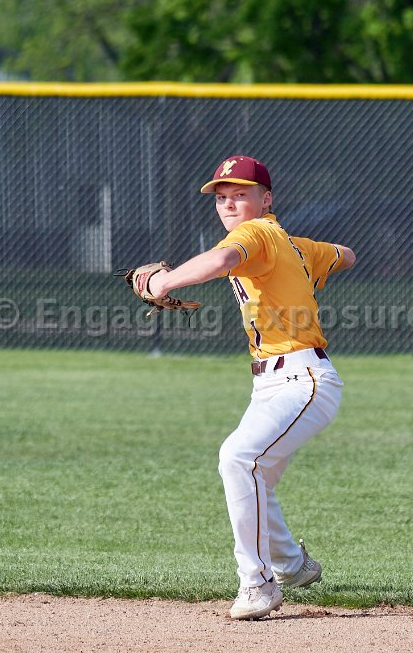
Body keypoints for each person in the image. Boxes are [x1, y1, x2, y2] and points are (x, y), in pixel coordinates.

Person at [147, 155, 356, 620]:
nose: (228, 204)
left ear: (266, 200)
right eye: (221, 196)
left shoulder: (257, 233)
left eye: (240, 194)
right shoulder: (291, 244)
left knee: (238, 458)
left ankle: (258, 584)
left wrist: (165, 281)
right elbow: (345, 253)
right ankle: (292, 566)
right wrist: (311, 258)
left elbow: (222, 259)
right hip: (275, 382)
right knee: (255, 476)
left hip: (301, 380)